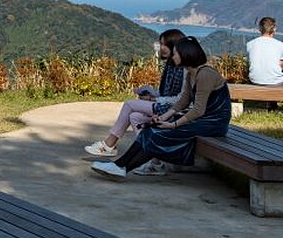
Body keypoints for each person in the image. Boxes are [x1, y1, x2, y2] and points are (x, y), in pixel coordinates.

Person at [92, 36, 231, 180]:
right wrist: (164, 117)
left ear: (185, 54)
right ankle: (119, 166)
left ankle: (122, 167)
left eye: (176, 53)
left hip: (213, 124)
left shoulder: (205, 74)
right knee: (150, 130)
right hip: (202, 121)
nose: (174, 56)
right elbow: (183, 101)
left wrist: (173, 124)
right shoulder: (191, 73)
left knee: (158, 134)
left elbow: (198, 109)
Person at [84, 29, 187, 159]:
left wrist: (154, 98)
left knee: (129, 104)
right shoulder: (170, 65)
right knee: (135, 117)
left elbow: (181, 99)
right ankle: (151, 157)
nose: (161, 48)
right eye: (161, 44)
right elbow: (165, 92)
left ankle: (109, 145)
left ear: (175, 45)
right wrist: (151, 93)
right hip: (165, 105)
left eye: (164, 44)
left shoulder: (184, 69)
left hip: (173, 110)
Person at [246, 16, 283, 85]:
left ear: (260, 29)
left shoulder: (250, 44)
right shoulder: (280, 45)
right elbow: (280, 65)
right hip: (276, 82)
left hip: (255, 80)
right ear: (274, 29)